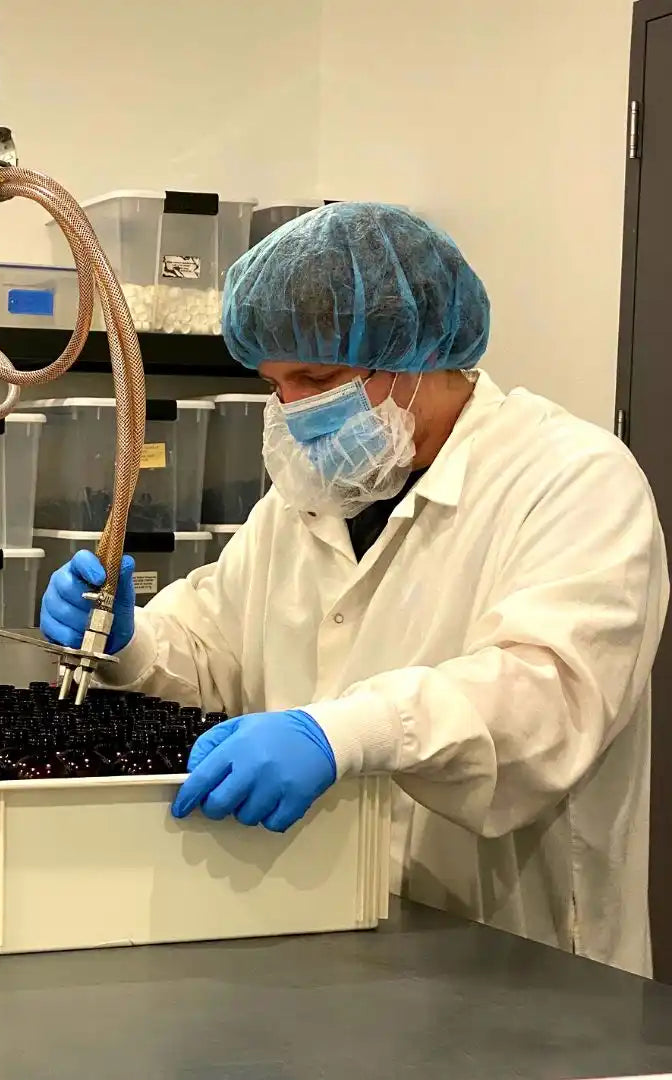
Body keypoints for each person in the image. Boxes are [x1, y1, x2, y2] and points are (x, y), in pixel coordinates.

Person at [39, 202, 668, 976]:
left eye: (319, 377)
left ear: (420, 350)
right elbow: (217, 649)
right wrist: (131, 644)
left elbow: (548, 699)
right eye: (276, 384)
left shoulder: (572, 479)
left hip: (513, 949)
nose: (295, 412)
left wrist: (348, 735)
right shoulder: (313, 493)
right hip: (324, 923)